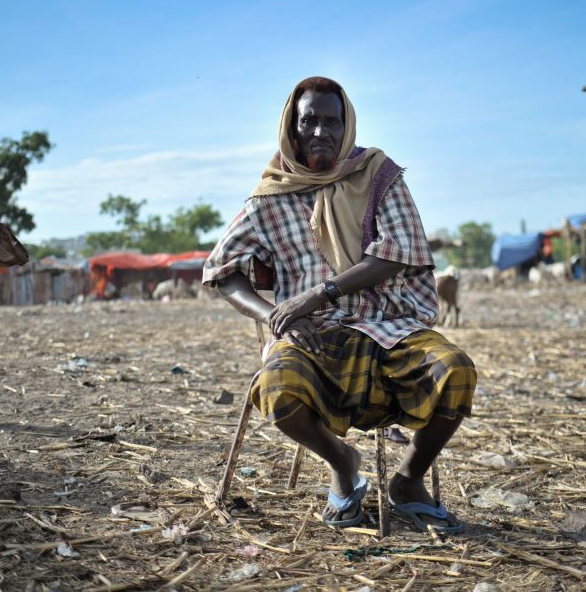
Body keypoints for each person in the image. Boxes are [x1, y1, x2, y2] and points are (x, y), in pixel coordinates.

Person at [202, 76, 477, 533]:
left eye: (332, 121)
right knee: (276, 388)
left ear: (346, 125)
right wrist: (271, 314)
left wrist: (318, 294)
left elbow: (400, 250)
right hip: (314, 337)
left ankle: (408, 481)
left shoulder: (376, 174)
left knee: (456, 370)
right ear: (292, 126)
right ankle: (343, 463)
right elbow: (219, 270)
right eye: (309, 121)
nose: (320, 132)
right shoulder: (269, 197)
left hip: (388, 324)